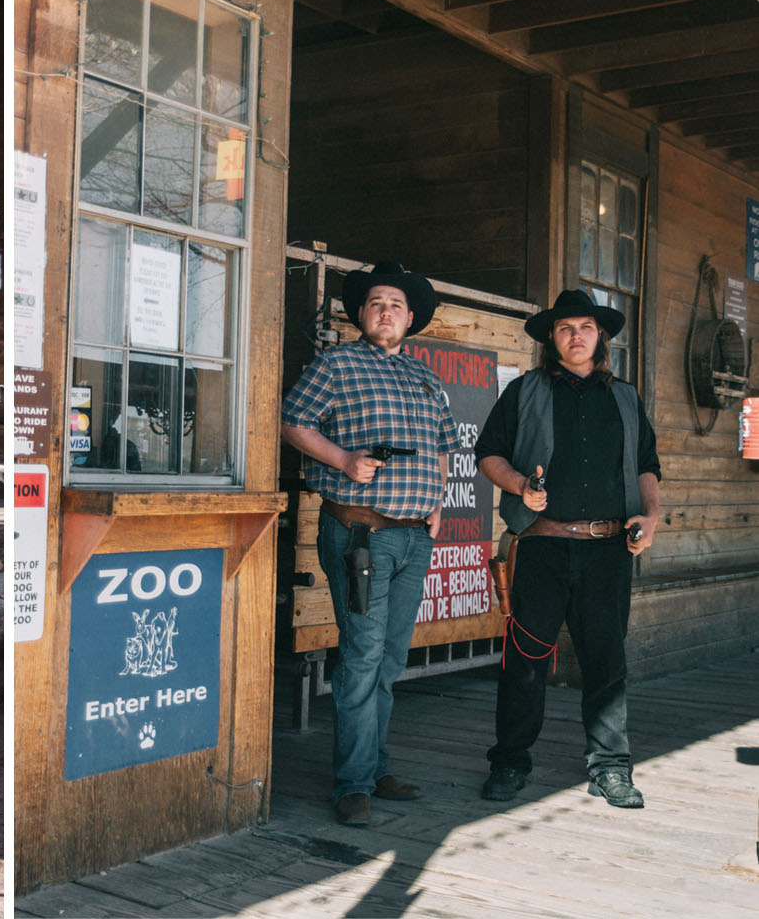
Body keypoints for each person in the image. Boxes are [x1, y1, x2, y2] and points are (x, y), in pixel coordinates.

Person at [281, 261, 459, 827]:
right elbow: (292, 422)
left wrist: (436, 502)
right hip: (360, 534)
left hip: (413, 541)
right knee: (361, 655)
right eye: (377, 302)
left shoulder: (428, 379)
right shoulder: (335, 363)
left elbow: (443, 447)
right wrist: (342, 459)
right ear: (360, 313)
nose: (387, 311)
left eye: (397, 305)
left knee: (390, 658)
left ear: (411, 319)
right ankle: (353, 782)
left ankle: (377, 767)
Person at [474, 289, 660, 809]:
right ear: (551, 339)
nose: (575, 336)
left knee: (606, 660)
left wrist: (650, 515)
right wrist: (518, 486)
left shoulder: (625, 397)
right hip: (541, 547)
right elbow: (488, 453)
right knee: (524, 661)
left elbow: (648, 465)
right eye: (564, 328)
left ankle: (610, 767)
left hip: (608, 550)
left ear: (599, 335)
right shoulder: (525, 392)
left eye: (584, 326)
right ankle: (510, 761)